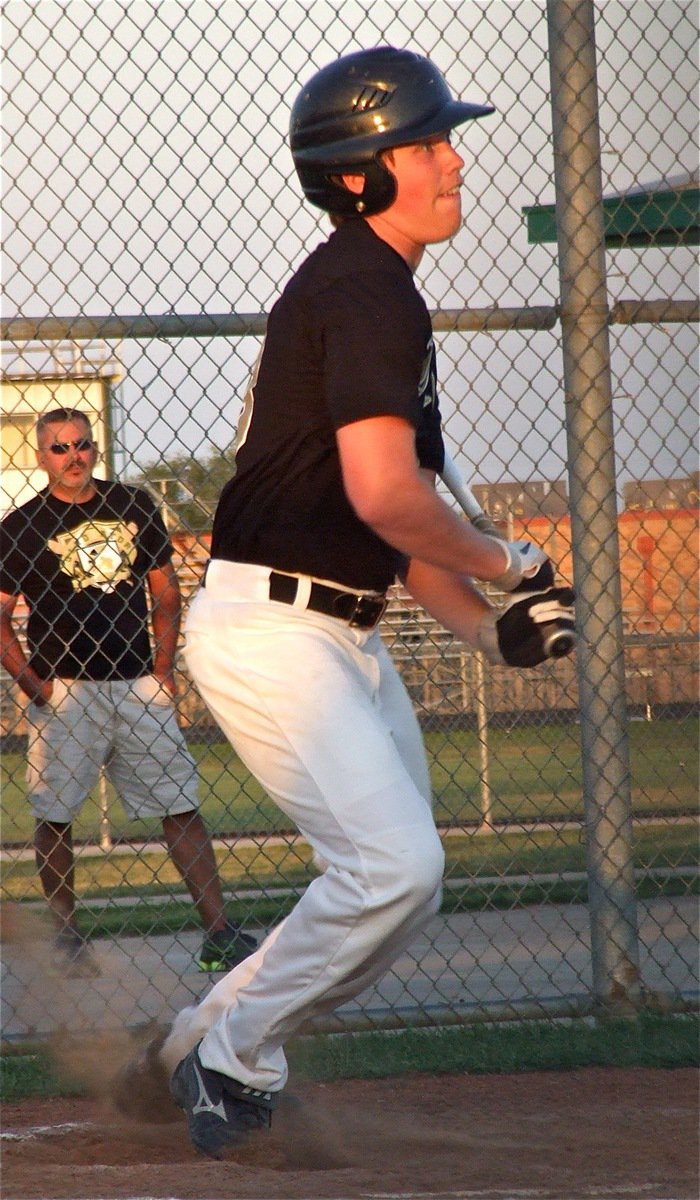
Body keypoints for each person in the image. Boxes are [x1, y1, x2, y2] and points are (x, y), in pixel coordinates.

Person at [115, 46, 574, 1157]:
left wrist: (490, 628)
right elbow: (388, 493)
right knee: (394, 867)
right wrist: (511, 561)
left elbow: (396, 529)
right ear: (364, 174)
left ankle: (195, 1042)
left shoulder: (375, 293)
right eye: (426, 144)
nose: (453, 160)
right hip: (275, 630)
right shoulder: (363, 290)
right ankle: (235, 1062)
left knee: (405, 888)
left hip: (342, 635)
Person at [0, 407, 257, 977]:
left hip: (135, 681)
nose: (74, 456)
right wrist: (31, 681)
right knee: (57, 815)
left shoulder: (134, 505)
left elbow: (165, 592)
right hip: (63, 688)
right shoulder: (20, 527)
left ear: (95, 449)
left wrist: (163, 666)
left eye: (82, 444)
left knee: (179, 805)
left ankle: (218, 931)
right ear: (41, 457)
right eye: (60, 448)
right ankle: (67, 935)